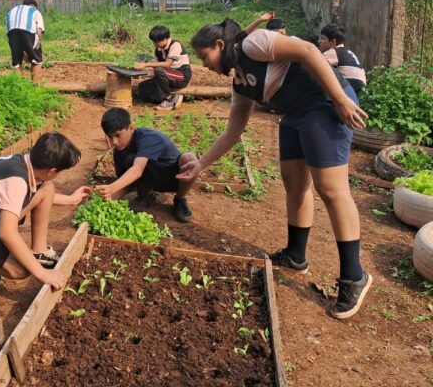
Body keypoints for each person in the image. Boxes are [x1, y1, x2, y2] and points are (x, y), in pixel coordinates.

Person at [177, 18, 371, 319]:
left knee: (330, 189)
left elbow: (308, 51)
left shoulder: (254, 44)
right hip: (295, 114)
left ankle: (354, 276)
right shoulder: (240, 83)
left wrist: (340, 99)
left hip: (324, 104)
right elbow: (233, 132)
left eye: (205, 57)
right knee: (294, 183)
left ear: (220, 45)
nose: (204, 65)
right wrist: (201, 164)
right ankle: (296, 255)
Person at [0, 132, 89, 289]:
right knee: (22, 270)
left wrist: (71, 199)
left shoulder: (25, 163)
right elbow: (7, 233)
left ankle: (39, 251)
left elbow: (38, 195)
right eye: (59, 171)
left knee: (47, 188)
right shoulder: (15, 180)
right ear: (52, 171)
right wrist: (42, 273)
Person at [96, 107, 198, 222]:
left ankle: (180, 199)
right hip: (152, 180)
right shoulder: (119, 152)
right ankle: (145, 196)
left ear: (131, 128)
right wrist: (109, 197)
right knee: (131, 159)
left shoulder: (148, 137)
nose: (114, 142)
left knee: (189, 158)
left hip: (174, 178)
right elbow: (127, 182)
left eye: (118, 135)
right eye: (110, 137)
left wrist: (111, 187)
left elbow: (137, 169)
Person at [134, 25, 192, 111]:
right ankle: (174, 97)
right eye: (154, 42)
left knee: (159, 70)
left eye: (157, 42)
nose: (155, 44)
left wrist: (145, 65)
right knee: (142, 87)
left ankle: (168, 101)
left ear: (165, 38)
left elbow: (167, 64)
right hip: (167, 76)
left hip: (181, 76)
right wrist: (142, 73)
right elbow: (155, 71)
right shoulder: (158, 50)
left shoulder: (175, 45)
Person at [319, 24, 366, 96]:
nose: (320, 41)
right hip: (361, 91)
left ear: (333, 42)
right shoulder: (349, 53)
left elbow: (316, 65)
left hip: (349, 91)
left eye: (323, 38)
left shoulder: (333, 52)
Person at [6, 0, 44, 83]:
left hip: (12, 32)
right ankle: (35, 86)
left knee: (17, 63)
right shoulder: (35, 11)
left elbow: (9, 35)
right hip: (28, 31)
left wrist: (21, 52)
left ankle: (20, 87)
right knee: (37, 60)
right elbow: (40, 31)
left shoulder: (12, 11)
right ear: (36, 7)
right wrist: (34, 51)